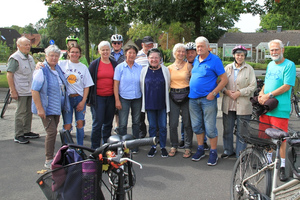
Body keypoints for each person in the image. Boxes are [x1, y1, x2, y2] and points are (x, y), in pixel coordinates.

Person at [258, 39, 296, 181]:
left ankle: (282, 166)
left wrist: (269, 95)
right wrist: (262, 94)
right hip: (267, 107)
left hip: (280, 108)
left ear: (282, 50)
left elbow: (287, 86)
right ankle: (268, 161)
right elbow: (267, 83)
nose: (274, 52)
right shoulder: (270, 64)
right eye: (271, 50)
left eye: (276, 49)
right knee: (266, 135)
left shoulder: (289, 65)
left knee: (281, 138)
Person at [189, 36, 228, 166]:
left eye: (201, 46)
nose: (199, 49)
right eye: (197, 46)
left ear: (207, 47)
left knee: (210, 127)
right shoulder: (196, 59)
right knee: (197, 126)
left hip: (208, 99)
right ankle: (200, 149)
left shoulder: (215, 60)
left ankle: (213, 152)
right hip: (193, 99)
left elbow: (224, 79)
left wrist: (214, 93)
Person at [31, 45, 70, 168]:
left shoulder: (58, 69)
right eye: (51, 55)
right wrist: (39, 108)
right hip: (46, 107)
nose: (54, 58)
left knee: (53, 131)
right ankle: (48, 159)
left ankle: (53, 156)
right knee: (51, 132)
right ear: (46, 56)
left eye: (56, 56)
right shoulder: (41, 70)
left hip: (56, 107)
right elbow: (34, 90)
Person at [221, 45, 257, 159]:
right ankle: (228, 150)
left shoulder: (249, 69)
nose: (240, 57)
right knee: (227, 129)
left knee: (242, 131)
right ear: (234, 56)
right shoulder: (227, 68)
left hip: (243, 105)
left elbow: (253, 86)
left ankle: (240, 154)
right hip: (228, 104)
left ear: (245, 56)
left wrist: (239, 93)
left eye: (242, 55)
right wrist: (226, 92)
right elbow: (220, 83)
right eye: (237, 55)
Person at [59, 43, 94, 145]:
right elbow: (49, 64)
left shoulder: (83, 67)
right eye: (72, 52)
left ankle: (80, 147)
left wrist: (83, 101)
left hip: (79, 98)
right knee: (67, 125)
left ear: (80, 54)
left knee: (80, 123)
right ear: (68, 53)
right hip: (67, 99)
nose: (74, 54)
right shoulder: (62, 64)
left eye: (77, 52)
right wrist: (40, 64)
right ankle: (66, 147)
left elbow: (87, 86)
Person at [7, 36, 40, 144]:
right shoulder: (15, 58)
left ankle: (26, 131)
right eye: (25, 45)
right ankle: (18, 134)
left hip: (29, 89)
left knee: (28, 112)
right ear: (18, 46)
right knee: (20, 112)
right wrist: (13, 90)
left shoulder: (29, 58)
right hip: (20, 90)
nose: (28, 46)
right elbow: (9, 74)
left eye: (29, 45)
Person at [179, 42, 210, 151]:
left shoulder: (199, 62)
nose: (190, 54)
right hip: (185, 95)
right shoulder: (183, 64)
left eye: (192, 52)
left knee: (201, 118)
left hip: (199, 95)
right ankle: (184, 138)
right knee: (185, 119)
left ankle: (204, 141)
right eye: (188, 53)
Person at [88, 41, 118, 149]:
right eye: (103, 50)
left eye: (107, 49)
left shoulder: (114, 64)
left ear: (110, 50)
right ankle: (95, 148)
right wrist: (88, 99)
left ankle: (106, 146)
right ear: (99, 51)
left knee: (108, 124)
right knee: (97, 123)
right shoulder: (94, 65)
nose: (105, 52)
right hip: (98, 98)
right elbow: (88, 82)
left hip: (111, 97)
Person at [140, 48, 170, 158]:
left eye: (156, 57)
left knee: (162, 126)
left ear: (160, 59)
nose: (154, 59)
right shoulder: (144, 71)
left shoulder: (165, 70)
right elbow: (141, 86)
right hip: (149, 103)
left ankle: (162, 146)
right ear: (148, 59)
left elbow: (168, 84)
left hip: (162, 103)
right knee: (152, 126)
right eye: (151, 57)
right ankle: (153, 147)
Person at [114, 45, 142, 153]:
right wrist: (117, 99)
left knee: (136, 122)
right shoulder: (119, 67)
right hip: (124, 98)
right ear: (126, 54)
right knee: (122, 123)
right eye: (129, 53)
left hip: (137, 98)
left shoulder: (139, 67)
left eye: (134, 53)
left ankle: (135, 145)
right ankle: (122, 146)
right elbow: (116, 85)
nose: (131, 55)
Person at [168, 43, 193, 158]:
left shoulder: (188, 66)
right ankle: (174, 145)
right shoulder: (169, 68)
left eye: (183, 51)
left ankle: (187, 147)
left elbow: (193, 81)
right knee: (173, 124)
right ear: (174, 53)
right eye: (179, 51)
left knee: (187, 123)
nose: (181, 53)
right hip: (173, 96)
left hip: (186, 96)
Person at [135, 36, 155, 138]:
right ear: (142, 45)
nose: (149, 47)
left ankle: (155, 133)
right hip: (141, 89)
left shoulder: (156, 54)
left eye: (151, 45)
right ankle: (142, 132)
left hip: (153, 89)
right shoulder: (137, 55)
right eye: (147, 45)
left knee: (153, 112)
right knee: (140, 113)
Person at [110, 34, 126, 134]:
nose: (117, 45)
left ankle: (118, 127)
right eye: (115, 43)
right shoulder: (108, 54)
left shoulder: (125, 55)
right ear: (112, 44)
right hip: (110, 83)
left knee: (120, 107)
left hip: (121, 84)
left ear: (122, 44)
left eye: (119, 43)